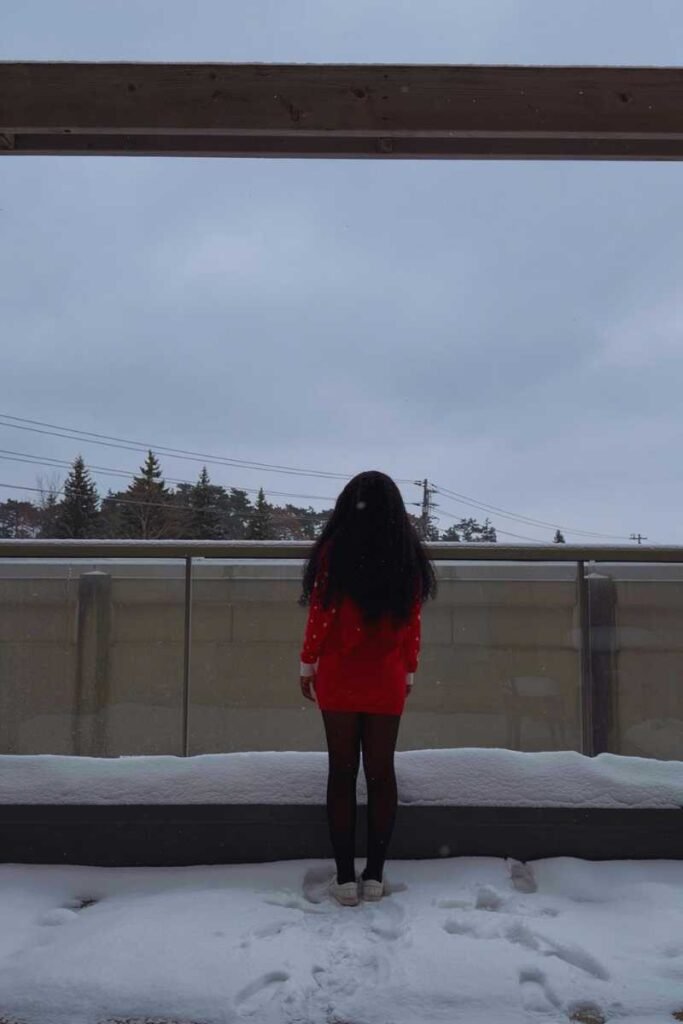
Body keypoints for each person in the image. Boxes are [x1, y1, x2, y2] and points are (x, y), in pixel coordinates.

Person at [298, 470, 437, 907]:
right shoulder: (404, 552)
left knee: (341, 772)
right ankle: (374, 874)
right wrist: (409, 669)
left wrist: (307, 662)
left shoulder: (334, 552)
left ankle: (344, 878)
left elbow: (321, 615)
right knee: (381, 773)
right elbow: (412, 621)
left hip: (340, 672)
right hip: (386, 675)